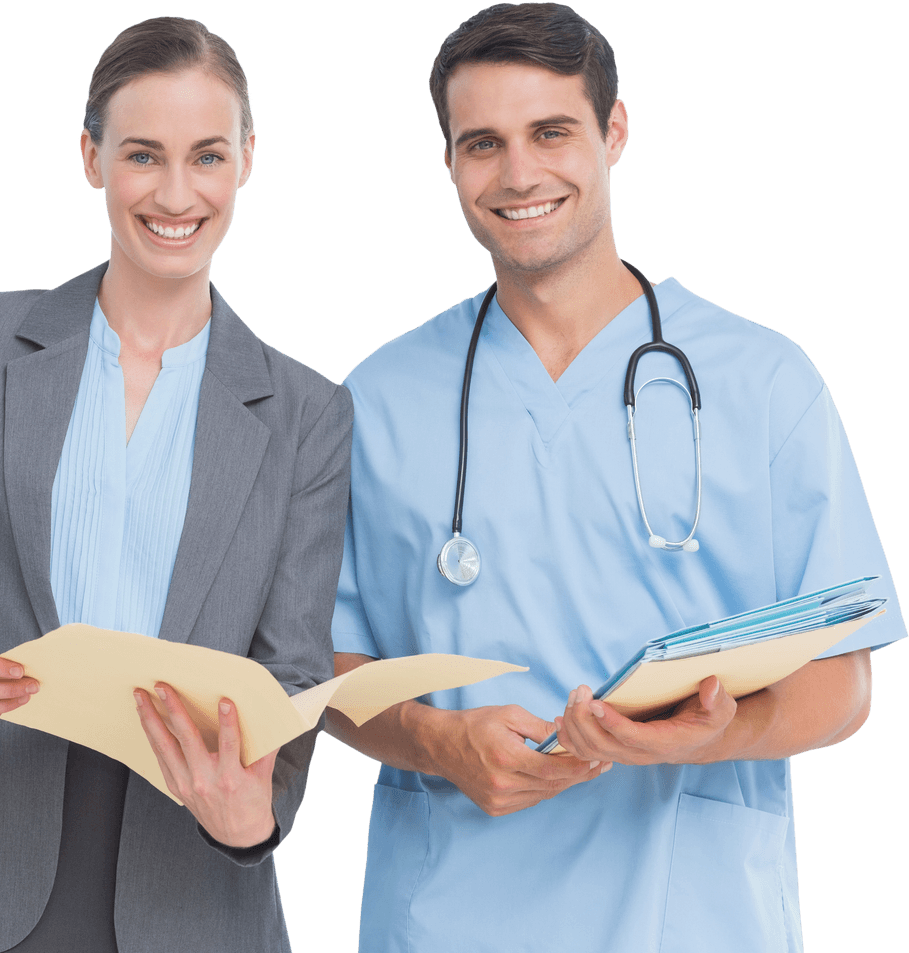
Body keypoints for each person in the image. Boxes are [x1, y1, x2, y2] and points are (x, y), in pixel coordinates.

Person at [325, 4, 906, 952]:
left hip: (696, 918)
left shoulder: (765, 381)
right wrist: (436, 741)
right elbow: (327, 667)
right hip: (450, 919)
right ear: (449, 166)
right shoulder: (378, 397)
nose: (519, 174)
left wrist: (711, 733)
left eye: (551, 131)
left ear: (615, 133)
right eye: (483, 144)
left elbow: (843, 682)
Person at [0, 16, 351, 953]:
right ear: (91, 157)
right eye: (143, 155)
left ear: (246, 160)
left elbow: (296, 671)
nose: (176, 193)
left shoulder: (306, 412)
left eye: (207, 155)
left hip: (190, 882)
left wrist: (254, 815)